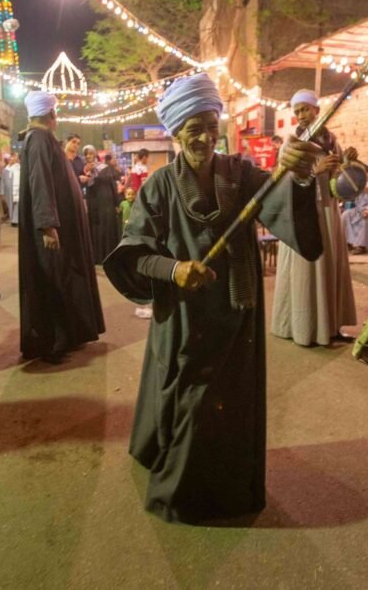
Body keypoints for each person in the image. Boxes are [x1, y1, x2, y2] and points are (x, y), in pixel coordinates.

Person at [103, 73, 323, 524]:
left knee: (231, 403)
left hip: (237, 312)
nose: (205, 136)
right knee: (190, 400)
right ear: (175, 131)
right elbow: (134, 255)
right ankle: (181, 495)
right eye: (193, 127)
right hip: (183, 316)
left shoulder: (240, 174)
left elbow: (281, 199)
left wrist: (299, 177)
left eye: (210, 124)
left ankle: (230, 491)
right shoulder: (159, 186)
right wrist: (174, 268)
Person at [17, 92, 104, 361]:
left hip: (61, 226)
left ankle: (70, 333)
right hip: (53, 229)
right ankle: (54, 341)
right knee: (54, 278)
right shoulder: (40, 138)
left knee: (66, 276)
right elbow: (40, 181)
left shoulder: (41, 138)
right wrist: (47, 225)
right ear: (52, 114)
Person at [271, 89, 357, 346]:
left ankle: (331, 327)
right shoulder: (292, 143)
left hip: (329, 212)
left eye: (305, 109)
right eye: (297, 111)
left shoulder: (331, 140)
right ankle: (303, 329)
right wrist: (314, 171)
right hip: (304, 214)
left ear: (317, 110)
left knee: (330, 269)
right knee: (306, 271)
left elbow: (339, 180)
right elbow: (281, 181)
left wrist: (348, 162)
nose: (301, 115)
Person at [82, 145, 122, 264]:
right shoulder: (84, 169)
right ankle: (97, 256)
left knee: (107, 226)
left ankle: (109, 255)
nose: (88, 156)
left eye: (90, 153)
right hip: (93, 202)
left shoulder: (105, 167)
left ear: (95, 154)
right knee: (95, 227)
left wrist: (116, 202)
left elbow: (112, 185)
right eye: (86, 154)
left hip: (107, 201)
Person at [1, 153, 21, 226]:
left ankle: (15, 220)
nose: (14, 159)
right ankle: (12, 219)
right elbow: (2, 180)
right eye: (13, 157)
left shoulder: (19, 167)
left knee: (17, 204)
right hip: (9, 190)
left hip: (18, 188)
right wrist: (2, 192)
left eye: (16, 157)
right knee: (10, 204)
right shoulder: (6, 169)